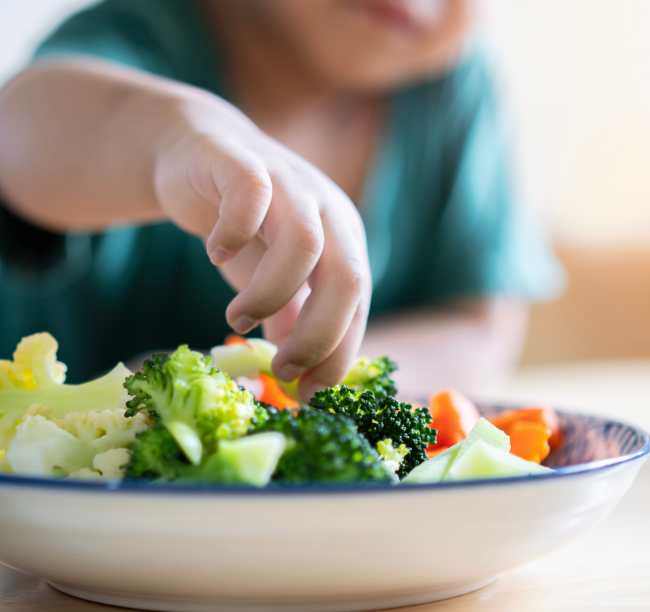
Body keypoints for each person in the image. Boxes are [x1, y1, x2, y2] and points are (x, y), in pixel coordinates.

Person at [0, 0, 561, 396]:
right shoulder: (147, 32)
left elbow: (478, 328)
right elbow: (22, 129)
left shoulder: (452, 90)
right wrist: (178, 137)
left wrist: (278, 385)